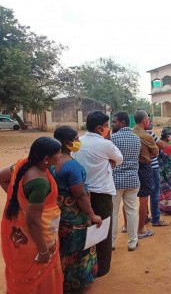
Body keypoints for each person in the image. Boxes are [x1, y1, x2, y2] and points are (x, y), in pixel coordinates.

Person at [0, 137, 63, 293]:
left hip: (18, 233)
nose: (60, 156)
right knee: (39, 276)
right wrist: (43, 250)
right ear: (46, 159)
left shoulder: (23, 163)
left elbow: (1, 176)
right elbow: (33, 221)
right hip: (36, 240)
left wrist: (19, 201)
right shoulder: (39, 182)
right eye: (58, 153)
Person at [51, 126, 102, 291]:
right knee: (78, 247)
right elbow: (80, 195)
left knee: (60, 247)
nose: (78, 142)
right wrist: (92, 215)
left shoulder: (50, 162)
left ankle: (59, 279)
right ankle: (75, 283)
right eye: (76, 139)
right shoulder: (72, 166)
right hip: (74, 216)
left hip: (56, 214)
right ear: (67, 143)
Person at [74, 110, 123, 277]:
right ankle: (102, 267)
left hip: (81, 192)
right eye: (107, 126)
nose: (108, 129)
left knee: (84, 228)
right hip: (101, 193)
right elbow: (119, 159)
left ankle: (84, 266)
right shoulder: (105, 144)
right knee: (103, 231)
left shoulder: (78, 141)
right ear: (99, 128)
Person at [110, 112, 141, 252]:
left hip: (115, 181)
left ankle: (111, 242)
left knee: (114, 212)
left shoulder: (112, 138)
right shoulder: (136, 139)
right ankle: (133, 242)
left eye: (114, 122)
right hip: (132, 179)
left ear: (122, 122)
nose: (112, 124)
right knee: (132, 211)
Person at [133, 110, 159, 239]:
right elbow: (155, 152)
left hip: (132, 168)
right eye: (148, 119)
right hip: (144, 168)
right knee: (143, 199)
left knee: (130, 199)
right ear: (144, 121)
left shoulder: (131, 133)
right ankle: (140, 229)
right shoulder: (146, 136)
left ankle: (128, 226)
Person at [146, 121, 170, 227]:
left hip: (142, 167)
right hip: (153, 166)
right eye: (148, 120)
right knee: (154, 193)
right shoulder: (150, 134)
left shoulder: (135, 133)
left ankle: (144, 216)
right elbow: (162, 146)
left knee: (143, 194)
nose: (150, 122)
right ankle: (155, 219)